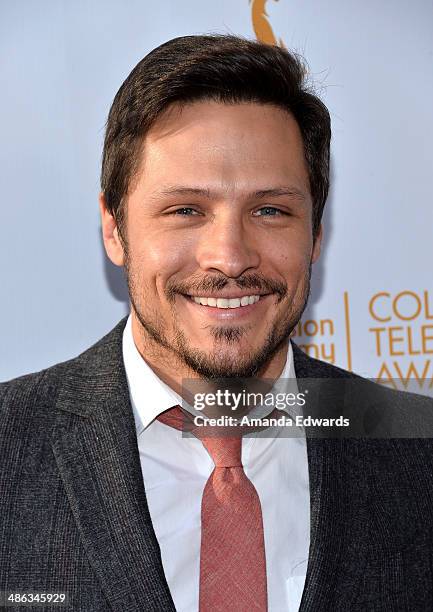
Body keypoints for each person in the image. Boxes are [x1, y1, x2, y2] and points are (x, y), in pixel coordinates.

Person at [1, 34, 433, 612]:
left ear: (316, 236)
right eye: (185, 210)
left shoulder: (417, 449)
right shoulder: (10, 446)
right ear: (113, 228)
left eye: (270, 210)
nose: (230, 257)